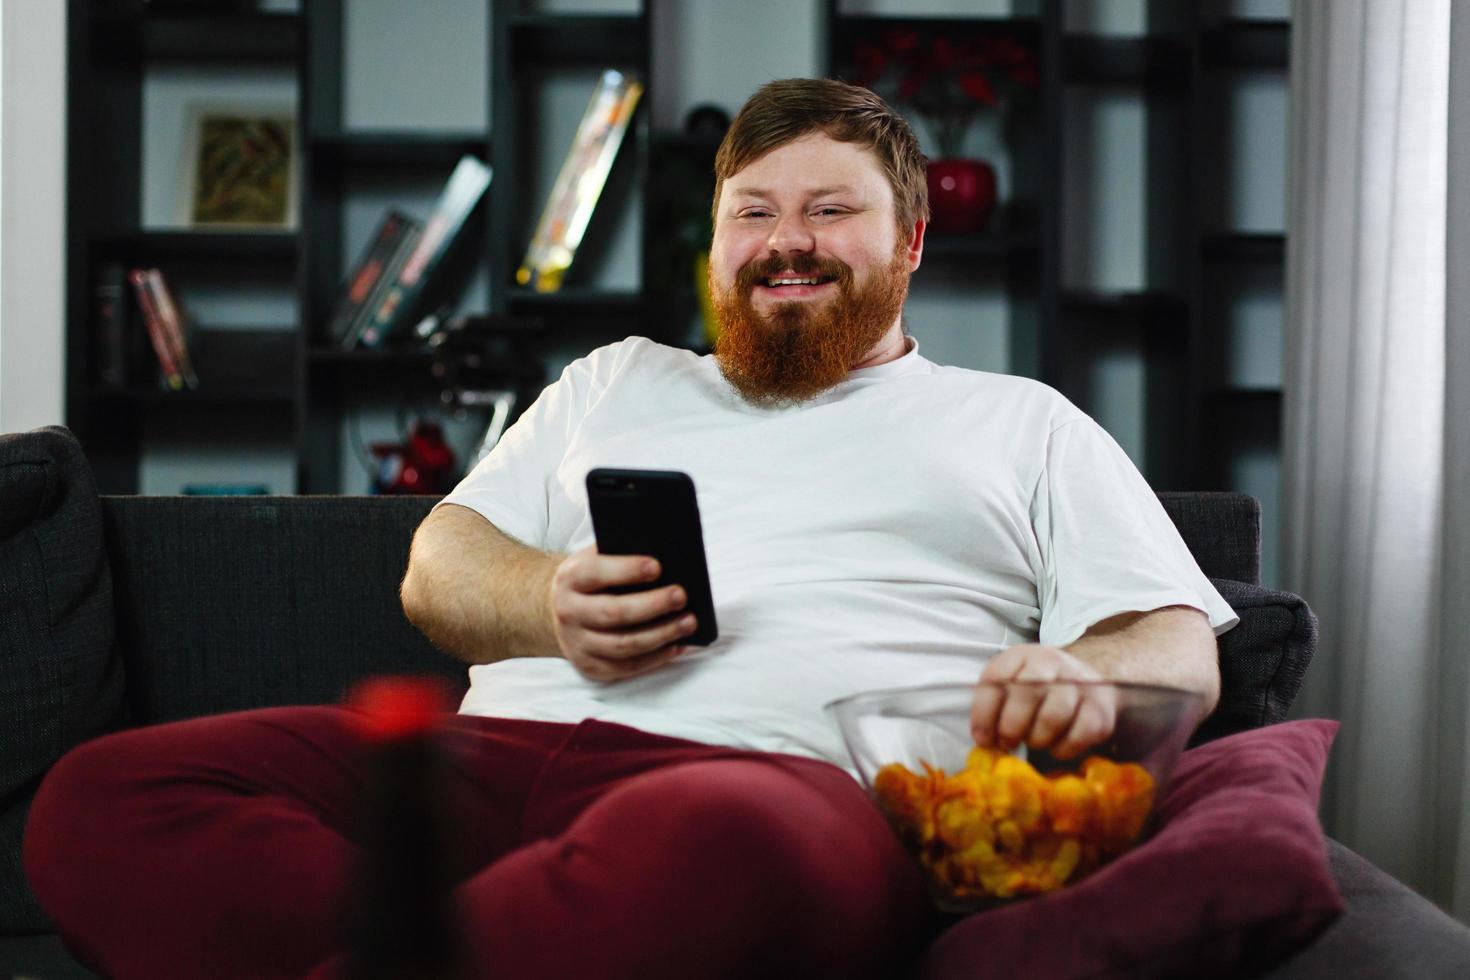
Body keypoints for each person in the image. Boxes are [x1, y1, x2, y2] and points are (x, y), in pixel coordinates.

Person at [24, 79, 1236, 980]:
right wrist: (548, 598)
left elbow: (1179, 646)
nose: (786, 239)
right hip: (488, 769)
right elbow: (438, 566)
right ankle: (527, 934)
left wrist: (1076, 672)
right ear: (717, 243)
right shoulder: (615, 378)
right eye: (752, 209)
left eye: (830, 209)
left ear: (911, 241)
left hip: (776, 792)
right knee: (104, 797)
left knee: (718, 855)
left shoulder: (1023, 424)